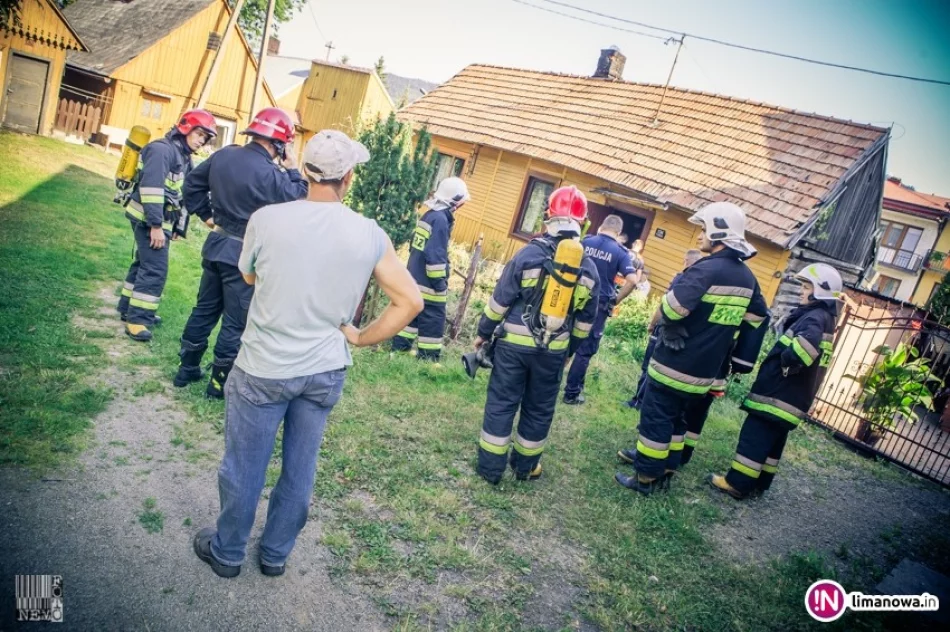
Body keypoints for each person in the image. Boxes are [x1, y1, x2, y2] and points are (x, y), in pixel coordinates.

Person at [193, 130, 423, 578]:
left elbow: (249, 277)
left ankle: (228, 553)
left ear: (304, 170)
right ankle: (275, 554)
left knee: (244, 468)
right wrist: (359, 337)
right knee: (300, 470)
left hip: (263, 367)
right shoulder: (369, 234)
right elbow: (410, 302)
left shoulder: (267, 218)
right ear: (349, 177)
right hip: (323, 371)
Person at [615, 202, 770, 495]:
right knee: (678, 419)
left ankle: (647, 475)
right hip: (706, 370)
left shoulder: (706, 269)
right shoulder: (747, 277)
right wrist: (722, 330)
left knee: (656, 418)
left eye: (704, 229)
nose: (699, 235)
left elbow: (672, 309)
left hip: (676, 362)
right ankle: (668, 465)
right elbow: (758, 316)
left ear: (719, 232)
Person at [175, 108, 308, 398]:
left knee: (205, 309)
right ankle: (219, 384)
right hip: (244, 255)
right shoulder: (271, 174)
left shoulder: (223, 155)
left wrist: (207, 216)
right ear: (280, 144)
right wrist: (294, 167)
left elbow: (191, 185)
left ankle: (186, 369)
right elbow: (300, 195)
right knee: (235, 321)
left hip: (216, 245)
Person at [475, 186, 599, 484]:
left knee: (502, 402)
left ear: (549, 219)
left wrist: (483, 333)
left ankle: (491, 469)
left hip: (512, 348)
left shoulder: (528, 254)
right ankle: (526, 468)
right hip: (553, 352)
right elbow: (585, 322)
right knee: (540, 408)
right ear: (582, 224)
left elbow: (499, 302)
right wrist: (569, 352)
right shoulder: (589, 268)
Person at [708, 264, 841, 499]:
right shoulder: (826, 318)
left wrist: (785, 361)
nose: (801, 290)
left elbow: (804, 351)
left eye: (806, 286)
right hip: (794, 398)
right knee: (773, 442)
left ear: (820, 290)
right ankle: (760, 483)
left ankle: (736, 484)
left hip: (777, 395)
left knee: (755, 437)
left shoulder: (813, 318)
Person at [117, 110, 216, 341]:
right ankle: (138, 320)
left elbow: (180, 194)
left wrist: (177, 228)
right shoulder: (162, 150)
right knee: (155, 269)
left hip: (159, 221)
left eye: (206, 137)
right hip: (148, 219)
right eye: (199, 133)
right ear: (185, 128)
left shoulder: (182, 154)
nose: (202, 140)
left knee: (144, 262)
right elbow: (151, 189)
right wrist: (155, 226)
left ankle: (127, 307)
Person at [391, 177, 470, 362]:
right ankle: (428, 359)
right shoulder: (441, 220)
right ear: (454, 202)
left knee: (410, 316)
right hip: (429, 285)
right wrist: (440, 284)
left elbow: (416, 248)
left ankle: (398, 351)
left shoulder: (429, 215)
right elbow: (435, 256)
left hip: (414, 279)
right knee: (434, 319)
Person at [562, 214, 638, 405]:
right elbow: (632, 280)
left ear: (601, 226)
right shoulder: (621, 253)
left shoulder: (585, 242)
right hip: (598, 304)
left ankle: (546, 382)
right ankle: (571, 393)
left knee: (560, 339)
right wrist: (615, 300)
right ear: (619, 233)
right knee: (584, 350)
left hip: (572, 298)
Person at [625, 249, 702, 409]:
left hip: (664, 328)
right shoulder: (700, 283)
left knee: (648, 367)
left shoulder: (681, 279)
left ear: (686, 261)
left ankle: (638, 402)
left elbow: (665, 304)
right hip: (682, 336)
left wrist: (653, 324)